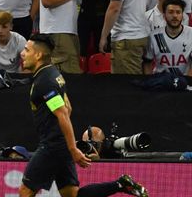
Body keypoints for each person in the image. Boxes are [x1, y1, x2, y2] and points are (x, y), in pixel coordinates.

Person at [18, 33, 149, 197]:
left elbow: (63, 114)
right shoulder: (53, 74)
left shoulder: (45, 82)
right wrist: (68, 145)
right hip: (61, 144)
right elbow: (68, 107)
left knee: (25, 192)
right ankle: (120, 184)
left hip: (52, 146)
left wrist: (73, 149)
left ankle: (120, 184)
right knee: (72, 195)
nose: (22, 54)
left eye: (26, 50)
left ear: (38, 55)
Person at [144, 0, 192, 76]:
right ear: (164, 16)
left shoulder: (191, 34)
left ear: (182, 16)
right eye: (171, 12)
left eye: (178, 12)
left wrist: (188, 82)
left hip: (184, 81)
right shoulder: (154, 36)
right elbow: (147, 63)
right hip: (161, 81)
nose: (175, 16)